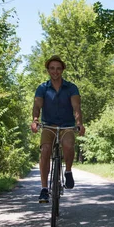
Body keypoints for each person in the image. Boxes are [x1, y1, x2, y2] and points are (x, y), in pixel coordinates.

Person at [30, 55, 86, 203]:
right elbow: (37, 106)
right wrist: (35, 120)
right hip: (48, 125)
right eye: (52, 68)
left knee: (68, 145)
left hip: (67, 125)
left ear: (62, 70)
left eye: (58, 68)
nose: (55, 71)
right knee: (45, 150)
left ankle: (67, 171)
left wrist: (79, 122)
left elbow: (76, 107)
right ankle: (43, 189)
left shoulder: (71, 87)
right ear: (48, 70)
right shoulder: (42, 88)